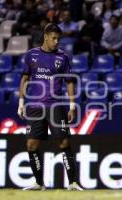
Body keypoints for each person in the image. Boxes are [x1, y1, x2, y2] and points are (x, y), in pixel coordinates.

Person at [17, 23, 83, 191]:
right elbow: (24, 79)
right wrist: (21, 102)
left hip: (55, 106)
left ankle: (73, 183)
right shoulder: (31, 55)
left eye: (58, 39)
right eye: (53, 38)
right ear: (45, 36)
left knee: (64, 142)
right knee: (31, 145)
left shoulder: (63, 57)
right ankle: (39, 183)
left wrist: (73, 105)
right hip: (34, 106)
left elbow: (69, 82)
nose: (56, 42)